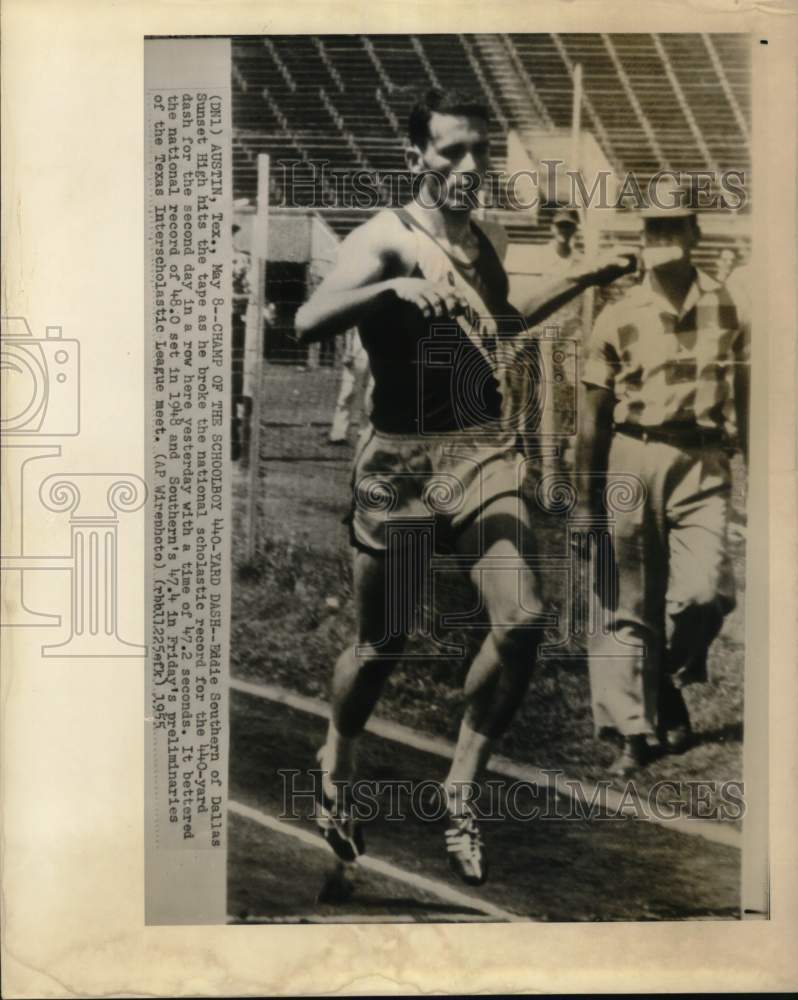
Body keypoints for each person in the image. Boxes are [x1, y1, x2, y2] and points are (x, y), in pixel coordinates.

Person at [295, 87, 633, 884]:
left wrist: (584, 275)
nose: (468, 166)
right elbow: (308, 319)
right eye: (450, 152)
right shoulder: (383, 236)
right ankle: (336, 760)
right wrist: (392, 290)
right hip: (402, 466)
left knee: (523, 621)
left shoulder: (484, 239)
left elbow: (501, 324)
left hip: (479, 454)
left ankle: (462, 791)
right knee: (383, 646)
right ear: (417, 156)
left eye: (479, 152)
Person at [576, 178, 749, 777]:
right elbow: (593, 417)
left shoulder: (727, 305)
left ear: (696, 233)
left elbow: (745, 397)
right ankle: (635, 731)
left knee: (706, 595)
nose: (663, 238)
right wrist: (583, 502)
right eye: (653, 228)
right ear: (641, 238)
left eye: (674, 227)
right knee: (630, 602)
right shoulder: (617, 314)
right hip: (633, 454)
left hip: (703, 459)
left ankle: (666, 677)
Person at [328, 329, 374, 445]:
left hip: (376, 351)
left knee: (371, 393)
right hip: (357, 351)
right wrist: (348, 351)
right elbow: (350, 329)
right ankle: (338, 434)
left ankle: (365, 431)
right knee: (348, 392)